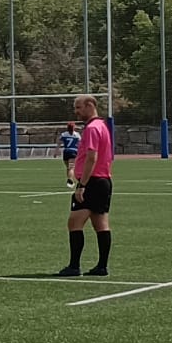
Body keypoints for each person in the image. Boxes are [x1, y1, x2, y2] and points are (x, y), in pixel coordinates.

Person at [59, 95, 114, 277]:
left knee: (74, 222)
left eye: (79, 107)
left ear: (90, 105)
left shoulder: (92, 128)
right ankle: (102, 266)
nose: (76, 111)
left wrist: (82, 185)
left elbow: (92, 157)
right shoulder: (102, 126)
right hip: (104, 181)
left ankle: (74, 266)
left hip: (92, 181)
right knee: (101, 224)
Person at [59, 121, 80, 188]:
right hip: (73, 151)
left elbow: (59, 143)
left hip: (66, 151)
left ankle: (70, 181)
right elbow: (80, 144)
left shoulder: (64, 134)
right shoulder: (77, 135)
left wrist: (56, 151)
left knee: (68, 167)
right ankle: (70, 180)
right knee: (71, 167)